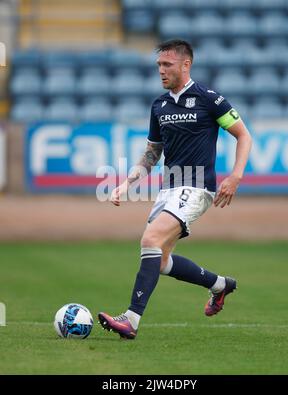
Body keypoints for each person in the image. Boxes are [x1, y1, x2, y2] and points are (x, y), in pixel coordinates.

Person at [98, 39, 252, 340]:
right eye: (158, 65)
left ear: (185, 64)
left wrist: (235, 176)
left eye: (167, 64)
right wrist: (127, 184)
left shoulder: (210, 99)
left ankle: (130, 319)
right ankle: (220, 285)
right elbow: (153, 152)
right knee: (161, 259)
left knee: (150, 238)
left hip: (197, 187)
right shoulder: (159, 105)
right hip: (168, 190)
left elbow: (243, 136)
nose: (161, 70)